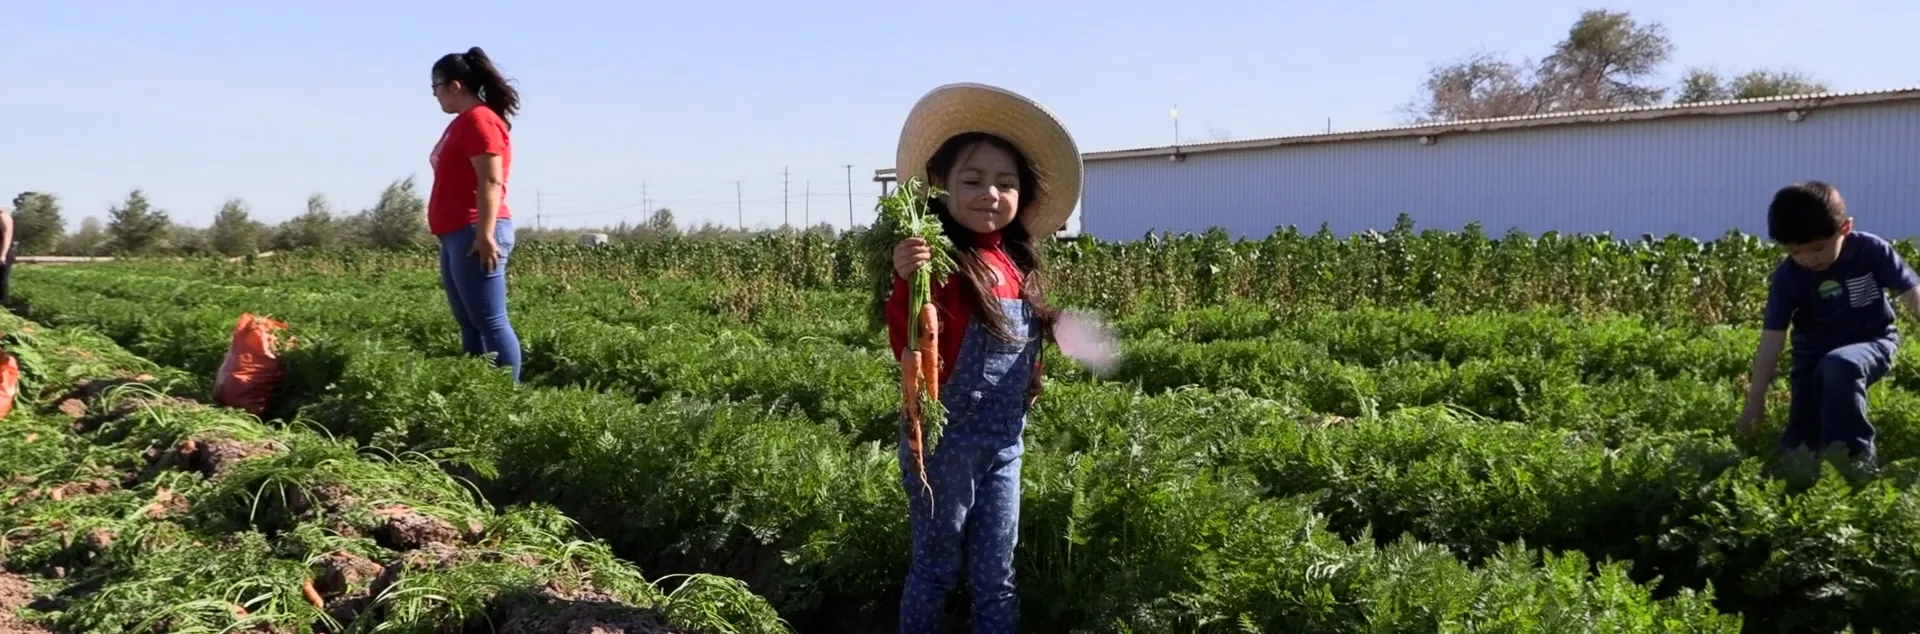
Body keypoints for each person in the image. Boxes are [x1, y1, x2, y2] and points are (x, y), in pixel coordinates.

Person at [885, 83, 1081, 633]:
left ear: (1023, 195)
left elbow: (1028, 346)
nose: (989, 194)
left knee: (998, 570)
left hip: (1004, 441)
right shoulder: (938, 261)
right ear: (943, 188)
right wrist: (906, 280)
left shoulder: (1017, 263)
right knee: (936, 566)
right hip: (944, 442)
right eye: (972, 181)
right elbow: (908, 337)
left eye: (1005, 183)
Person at [1737, 180, 1920, 468]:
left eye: (1818, 248)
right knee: (1797, 453)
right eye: (1795, 252)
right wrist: (1755, 402)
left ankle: (1855, 464)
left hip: (1872, 341)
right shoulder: (1788, 277)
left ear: (1845, 228)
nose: (1808, 259)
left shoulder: (1871, 251)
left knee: (1839, 366)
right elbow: (1772, 340)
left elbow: (1913, 295)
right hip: (1811, 357)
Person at [428, 46, 523, 382]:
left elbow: (491, 179)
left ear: (454, 86)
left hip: (476, 232)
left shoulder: (480, 121)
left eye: (435, 87)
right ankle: (477, 392)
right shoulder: (462, 123)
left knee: (491, 322)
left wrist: (484, 235)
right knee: (470, 323)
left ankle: (504, 401)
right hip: (458, 233)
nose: (435, 95)